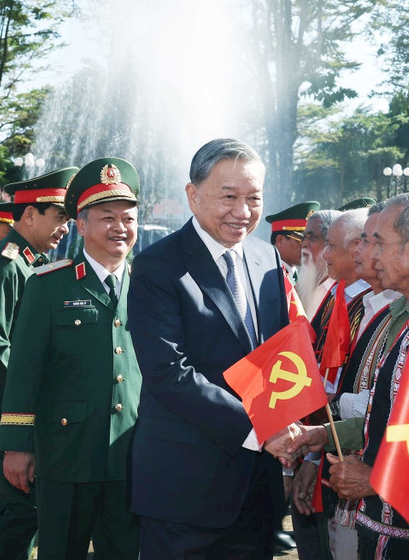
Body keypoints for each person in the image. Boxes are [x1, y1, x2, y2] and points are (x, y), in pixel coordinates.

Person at [282, 192, 409, 559]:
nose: (369, 255)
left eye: (379, 243)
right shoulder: (406, 315)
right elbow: (386, 417)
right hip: (384, 528)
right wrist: (323, 434)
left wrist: (374, 480)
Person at [127, 138, 297, 559]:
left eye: (253, 198)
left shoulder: (268, 260)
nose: (242, 213)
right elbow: (170, 373)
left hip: (257, 491)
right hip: (184, 491)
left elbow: (277, 357)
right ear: (193, 195)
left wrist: (294, 437)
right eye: (228, 197)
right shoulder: (158, 266)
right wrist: (262, 430)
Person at [0, 158, 142, 559]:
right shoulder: (49, 285)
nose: (119, 227)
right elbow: (25, 371)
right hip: (66, 453)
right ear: (82, 225)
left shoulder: (148, 286)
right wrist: (16, 446)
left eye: (128, 218)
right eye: (106, 217)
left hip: (130, 453)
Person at [0, 166, 78, 560]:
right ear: (30, 214)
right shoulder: (6, 263)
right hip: (1, 393)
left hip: (7, 393)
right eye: (60, 216)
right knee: (24, 502)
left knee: (14, 502)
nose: (66, 228)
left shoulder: (23, 262)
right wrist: (34, 388)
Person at [292, 208, 371, 560]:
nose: (320, 252)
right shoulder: (336, 297)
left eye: (328, 244)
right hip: (322, 447)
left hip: (352, 461)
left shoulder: (377, 304)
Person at [324, 202, 400, 559]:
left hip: (386, 499)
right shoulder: (370, 304)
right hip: (356, 483)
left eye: (371, 241)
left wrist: (334, 414)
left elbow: (408, 418)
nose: (360, 250)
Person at [265, 200, 319, 285]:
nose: (307, 246)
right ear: (280, 241)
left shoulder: (293, 274)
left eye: (311, 240)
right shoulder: (268, 276)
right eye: (302, 240)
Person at [297, 210, 340, 316]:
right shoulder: (297, 290)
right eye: (304, 238)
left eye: (312, 238)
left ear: (330, 243)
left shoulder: (341, 293)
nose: (304, 244)